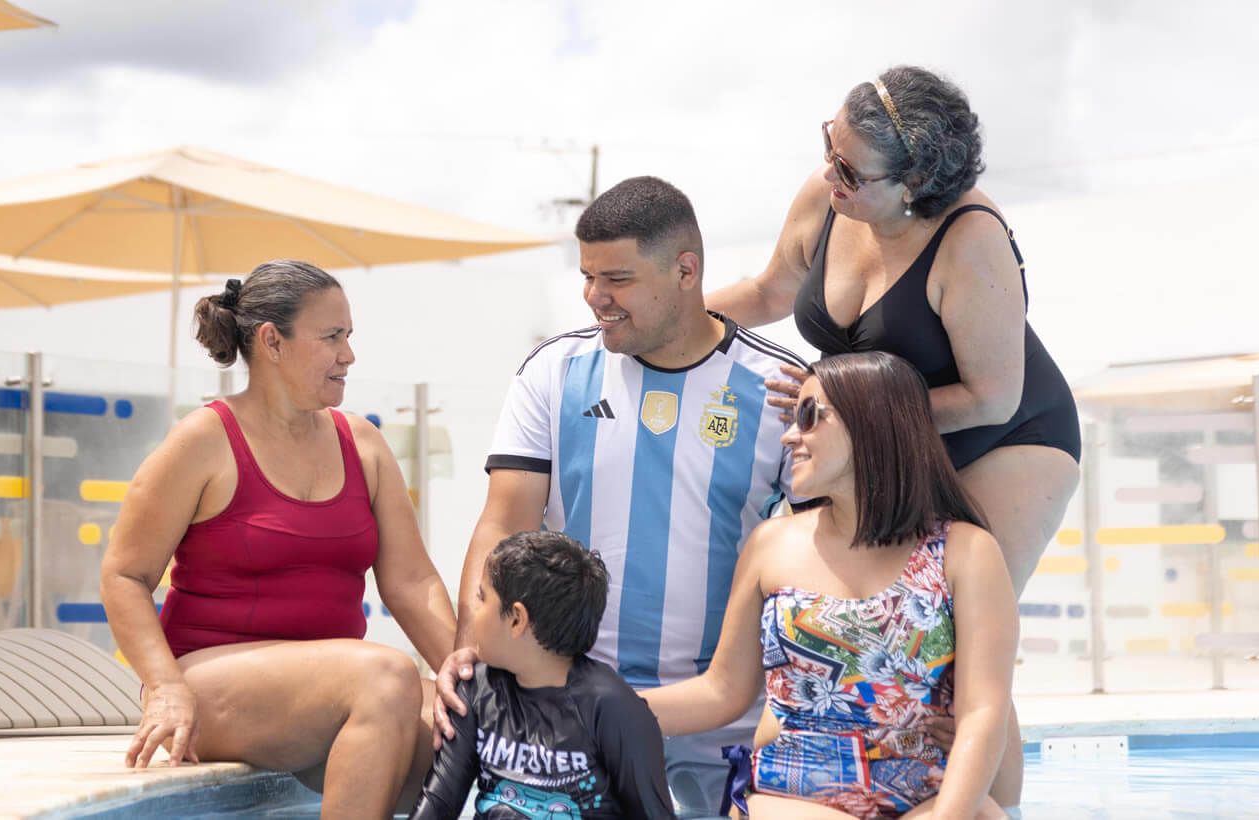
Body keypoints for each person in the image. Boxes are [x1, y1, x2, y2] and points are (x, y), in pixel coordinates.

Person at [703, 65, 1080, 807]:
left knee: (957, 634)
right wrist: (674, 322)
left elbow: (990, 395)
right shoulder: (831, 194)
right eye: (827, 146)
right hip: (870, 431)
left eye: (848, 167)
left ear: (913, 186)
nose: (827, 173)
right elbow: (770, 291)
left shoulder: (971, 240)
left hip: (1005, 436)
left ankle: (987, 805)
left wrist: (839, 402)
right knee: (853, 622)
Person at [435, 176, 807, 817]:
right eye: (587, 277)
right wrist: (470, 652)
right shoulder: (553, 370)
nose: (595, 298)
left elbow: (817, 557)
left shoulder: (780, 388)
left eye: (617, 279)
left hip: (724, 713)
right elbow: (503, 525)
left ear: (686, 270)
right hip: (573, 703)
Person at [99, 260, 458, 817]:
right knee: (386, 673)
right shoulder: (203, 440)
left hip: (332, 686)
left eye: (349, 337)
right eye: (332, 337)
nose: (349, 355)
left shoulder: (362, 444)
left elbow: (411, 580)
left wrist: (466, 674)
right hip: (208, 681)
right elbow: (124, 575)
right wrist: (164, 688)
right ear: (272, 341)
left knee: (464, 718)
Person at [639, 351, 1015, 819]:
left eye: (810, 416)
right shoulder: (771, 544)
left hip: (924, 796)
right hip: (791, 799)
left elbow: (983, 710)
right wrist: (587, 708)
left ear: (871, 423)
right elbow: (722, 691)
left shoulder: (966, 551)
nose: (790, 434)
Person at [414, 530, 677, 820]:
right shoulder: (474, 690)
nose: (474, 611)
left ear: (517, 619)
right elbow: (437, 805)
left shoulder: (614, 709)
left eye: (482, 598)